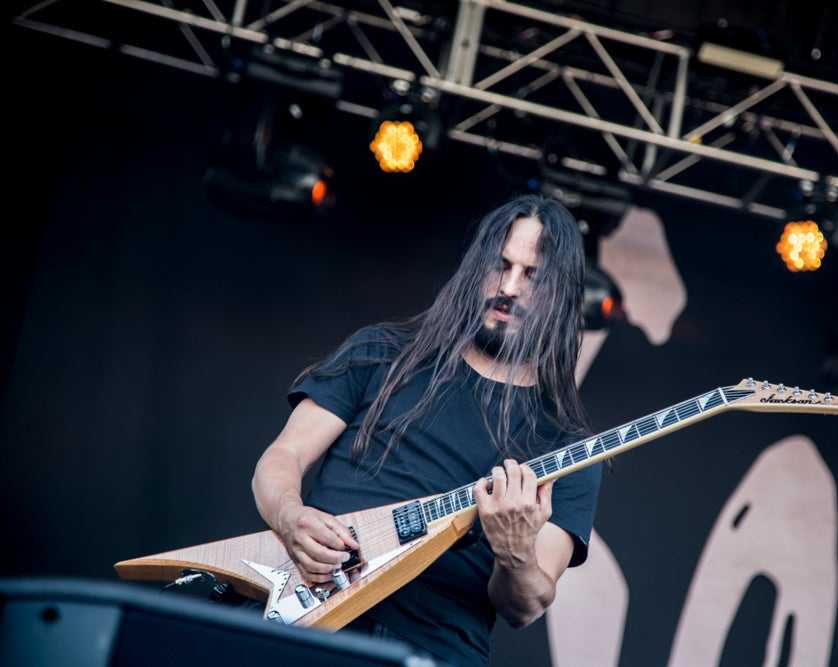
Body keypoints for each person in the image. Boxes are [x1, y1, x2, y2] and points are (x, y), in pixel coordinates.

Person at [251, 193, 602, 666]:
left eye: (532, 276)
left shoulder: (567, 443)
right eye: (501, 266)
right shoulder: (382, 351)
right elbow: (282, 458)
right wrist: (291, 518)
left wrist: (515, 553)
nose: (510, 288)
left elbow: (526, 606)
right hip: (307, 622)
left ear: (562, 296)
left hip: (433, 650)